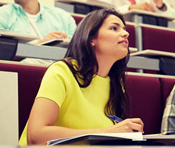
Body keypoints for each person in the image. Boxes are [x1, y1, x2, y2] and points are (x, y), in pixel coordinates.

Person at [21, 8, 143, 145]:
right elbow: (36, 136)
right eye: (114, 28)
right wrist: (109, 132)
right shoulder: (62, 71)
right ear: (91, 39)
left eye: (125, 29)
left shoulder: (116, 83)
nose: (125, 33)